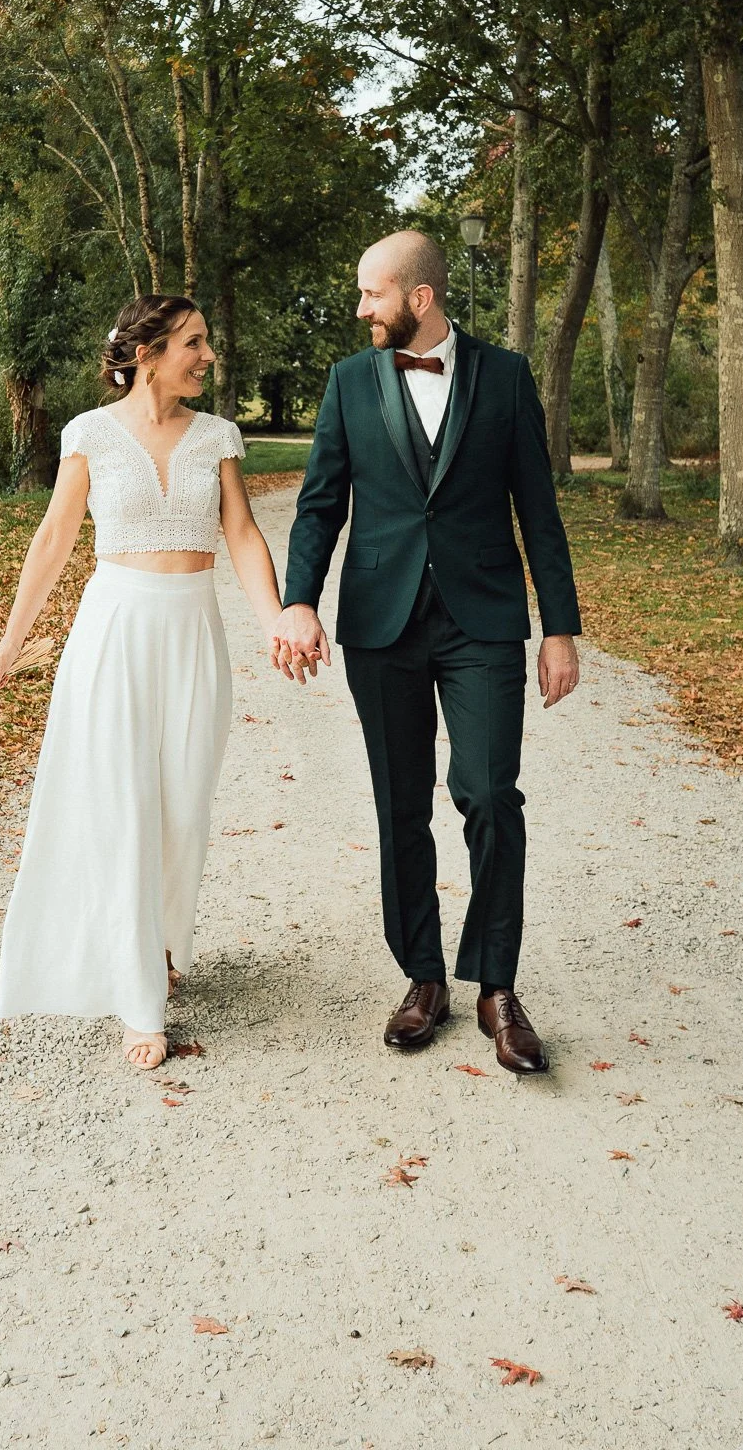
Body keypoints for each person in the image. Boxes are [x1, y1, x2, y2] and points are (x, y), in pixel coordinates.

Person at [273, 231, 581, 1073]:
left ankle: (495, 988)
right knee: (400, 803)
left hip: (482, 619)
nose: (361, 308)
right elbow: (318, 505)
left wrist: (560, 626)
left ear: (419, 298)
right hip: (383, 620)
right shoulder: (347, 383)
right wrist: (300, 598)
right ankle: (423, 978)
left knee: (490, 795)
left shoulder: (508, 379)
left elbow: (540, 515)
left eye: (373, 294)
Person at [0, 295, 288, 1073]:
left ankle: (161, 943)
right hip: (112, 633)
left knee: (182, 806)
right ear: (147, 352)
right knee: (126, 809)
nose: (207, 357)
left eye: (206, 342)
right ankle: (139, 994)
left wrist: (277, 618)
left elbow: (241, 533)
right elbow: (53, 540)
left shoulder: (217, 437)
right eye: (193, 343)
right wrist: (9, 646)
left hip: (192, 635)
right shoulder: (89, 435)